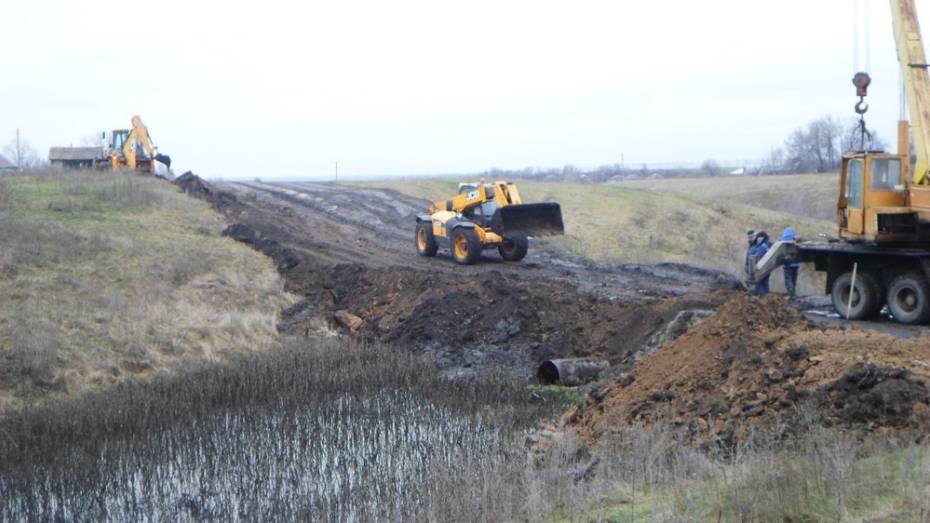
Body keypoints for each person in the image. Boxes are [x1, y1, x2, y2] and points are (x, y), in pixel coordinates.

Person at [749, 231, 771, 295]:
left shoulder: (763, 245)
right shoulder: (766, 243)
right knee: (764, 282)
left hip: (762, 266)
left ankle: (763, 295)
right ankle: (765, 295)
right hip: (765, 266)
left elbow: (758, 255)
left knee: (761, 281)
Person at [780, 226, 800, 298]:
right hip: (796, 264)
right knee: (794, 279)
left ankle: (790, 294)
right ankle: (793, 293)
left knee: (788, 279)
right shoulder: (796, 241)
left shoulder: (783, 241)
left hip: (788, 265)